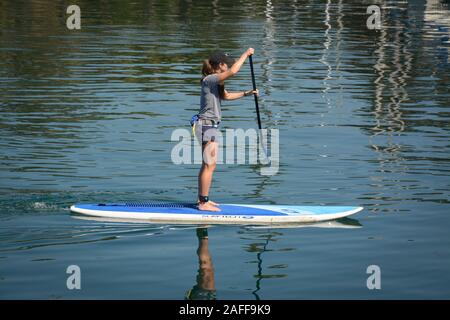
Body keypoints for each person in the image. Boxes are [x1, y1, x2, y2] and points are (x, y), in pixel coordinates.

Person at [191, 48, 258, 212]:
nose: (228, 67)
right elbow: (234, 71)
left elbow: (225, 96)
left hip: (210, 126)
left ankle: (203, 198)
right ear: (220, 65)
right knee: (209, 165)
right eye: (226, 64)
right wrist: (246, 54)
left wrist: (247, 93)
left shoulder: (216, 82)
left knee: (208, 165)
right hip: (206, 125)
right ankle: (203, 203)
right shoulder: (210, 79)